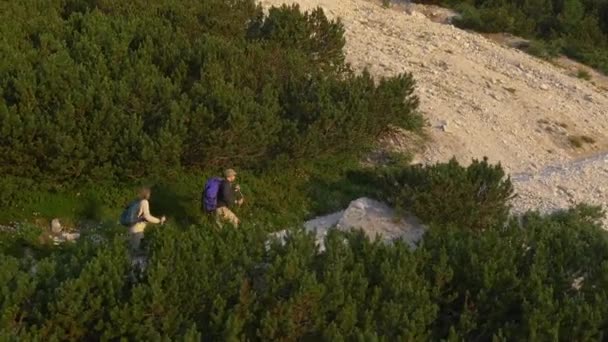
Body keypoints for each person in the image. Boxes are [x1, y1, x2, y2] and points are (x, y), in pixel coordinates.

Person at [127, 187, 166, 252]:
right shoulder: (144, 202)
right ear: (146, 194)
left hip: (131, 228)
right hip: (138, 229)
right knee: (138, 250)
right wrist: (159, 221)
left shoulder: (135, 202)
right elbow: (147, 216)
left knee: (132, 250)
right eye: (149, 193)